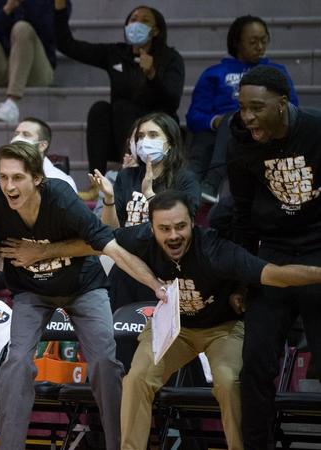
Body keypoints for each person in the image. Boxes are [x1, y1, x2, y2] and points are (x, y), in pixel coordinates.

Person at [0, 142, 167, 450]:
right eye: (3, 177)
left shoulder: (60, 198)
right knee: (16, 363)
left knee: (104, 364)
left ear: (37, 179)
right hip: (32, 292)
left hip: (83, 288)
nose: (9, 186)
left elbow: (108, 246)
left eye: (17, 178)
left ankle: (119, 445)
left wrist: (155, 285)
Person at [116, 189, 321, 450]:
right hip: (174, 327)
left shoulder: (214, 249)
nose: (174, 235)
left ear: (193, 221)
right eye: (164, 229)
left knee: (228, 381)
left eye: (180, 226)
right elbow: (100, 242)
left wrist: (318, 274)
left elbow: (275, 274)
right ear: (151, 229)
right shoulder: (139, 239)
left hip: (223, 329)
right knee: (136, 379)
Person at [226, 65, 321, 449]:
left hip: (318, 251)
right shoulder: (241, 143)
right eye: (243, 107)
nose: (248, 116)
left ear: (282, 103)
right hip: (274, 258)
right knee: (256, 365)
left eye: (257, 107)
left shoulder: (316, 131)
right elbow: (242, 215)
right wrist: (242, 280)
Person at [53, 0, 184, 200]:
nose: (136, 23)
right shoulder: (115, 53)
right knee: (101, 109)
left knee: (125, 108)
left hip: (155, 135)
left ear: (155, 31)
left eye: (144, 20)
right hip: (121, 135)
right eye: (133, 19)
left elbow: (172, 102)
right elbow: (66, 44)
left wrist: (152, 75)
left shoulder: (170, 58)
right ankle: (97, 184)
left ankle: (132, 180)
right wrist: (60, 7)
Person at [88, 112, 199, 309]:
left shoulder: (185, 179)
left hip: (165, 258)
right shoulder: (126, 176)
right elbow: (110, 230)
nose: (144, 141)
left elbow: (182, 226)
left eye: (153, 135)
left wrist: (148, 193)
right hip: (128, 257)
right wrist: (109, 198)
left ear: (170, 143)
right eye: (140, 136)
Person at [186, 15, 299, 204]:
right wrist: (215, 121)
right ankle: (187, 197)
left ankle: (211, 183)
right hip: (221, 131)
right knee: (203, 143)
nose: (260, 47)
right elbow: (194, 116)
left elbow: (291, 107)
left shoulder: (276, 72)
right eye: (253, 42)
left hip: (263, 129)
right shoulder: (214, 73)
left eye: (264, 41)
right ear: (237, 43)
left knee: (236, 117)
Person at [9, 117, 76, 191]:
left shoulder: (63, 183)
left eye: (26, 135)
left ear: (42, 146)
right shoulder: (2, 179)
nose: (18, 138)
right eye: (16, 134)